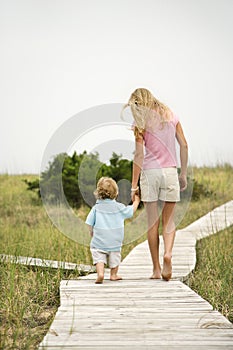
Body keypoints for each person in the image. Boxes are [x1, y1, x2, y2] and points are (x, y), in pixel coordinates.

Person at [123, 87, 188, 281]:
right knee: (169, 221)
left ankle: (156, 269)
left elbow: (139, 155)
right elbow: (184, 145)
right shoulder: (171, 116)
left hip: (150, 173)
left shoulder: (140, 123)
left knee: (152, 223)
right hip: (170, 171)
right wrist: (183, 173)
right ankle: (168, 253)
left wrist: (134, 186)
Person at [85, 176, 140, 284]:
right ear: (116, 193)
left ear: (98, 193)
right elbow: (131, 211)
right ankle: (113, 275)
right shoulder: (119, 207)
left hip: (99, 240)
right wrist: (136, 202)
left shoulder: (96, 208)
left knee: (99, 255)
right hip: (115, 241)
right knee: (115, 256)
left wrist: (91, 232)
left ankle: (100, 274)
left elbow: (89, 223)